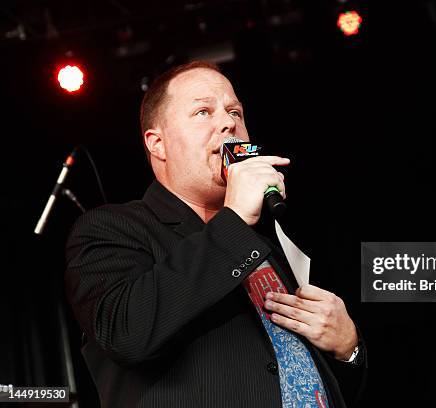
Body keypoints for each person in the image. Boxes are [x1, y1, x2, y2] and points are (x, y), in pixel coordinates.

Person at [65, 60, 366, 408]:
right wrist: (235, 218)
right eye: (203, 112)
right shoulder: (111, 228)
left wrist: (348, 349)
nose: (228, 123)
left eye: (235, 112)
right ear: (157, 143)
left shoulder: (266, 240)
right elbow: (126, 333)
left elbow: (299, 375)